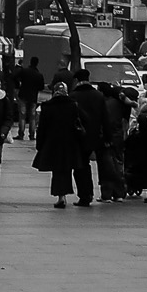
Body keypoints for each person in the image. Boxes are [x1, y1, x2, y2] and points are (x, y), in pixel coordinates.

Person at [34, 78, 95, 209]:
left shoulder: (47, 107)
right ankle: (85, 195)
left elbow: (42, 129)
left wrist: (40, 145)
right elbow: (86, 120)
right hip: (72, 143)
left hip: (53, 143)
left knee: (59, 171)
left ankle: (61, 197)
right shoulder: (73, 105)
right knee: (77, 168)